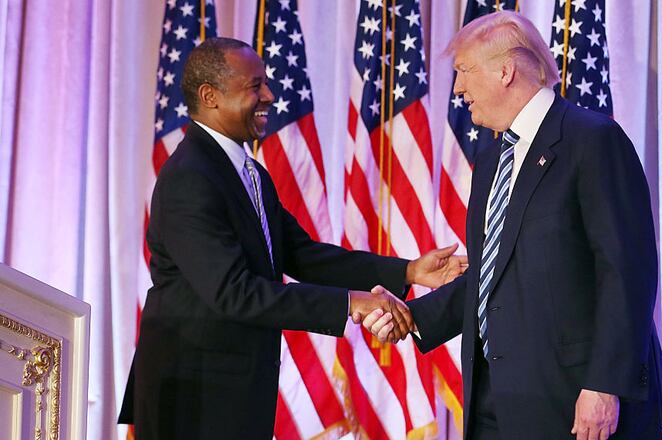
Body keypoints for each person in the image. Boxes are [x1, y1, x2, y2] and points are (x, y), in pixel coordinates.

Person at [118, 37, 465, 440]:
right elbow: (235, 292)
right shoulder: (190, 178)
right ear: (210, 96)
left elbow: (303, 255)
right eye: (255, 86)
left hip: (235, 391)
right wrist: (351, 303)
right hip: (193, 395)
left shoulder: (248, 173)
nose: (269, 95)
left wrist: (407, 271)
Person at [361, 11, 662, 440]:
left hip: (575, 399)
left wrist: (604, 385)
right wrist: (412, 316)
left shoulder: (592, 140)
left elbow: (627, 273)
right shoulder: (492, 160)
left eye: (464, 72)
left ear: (506, 70)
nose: (458, 89)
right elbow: (495, 275)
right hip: (498, 400)